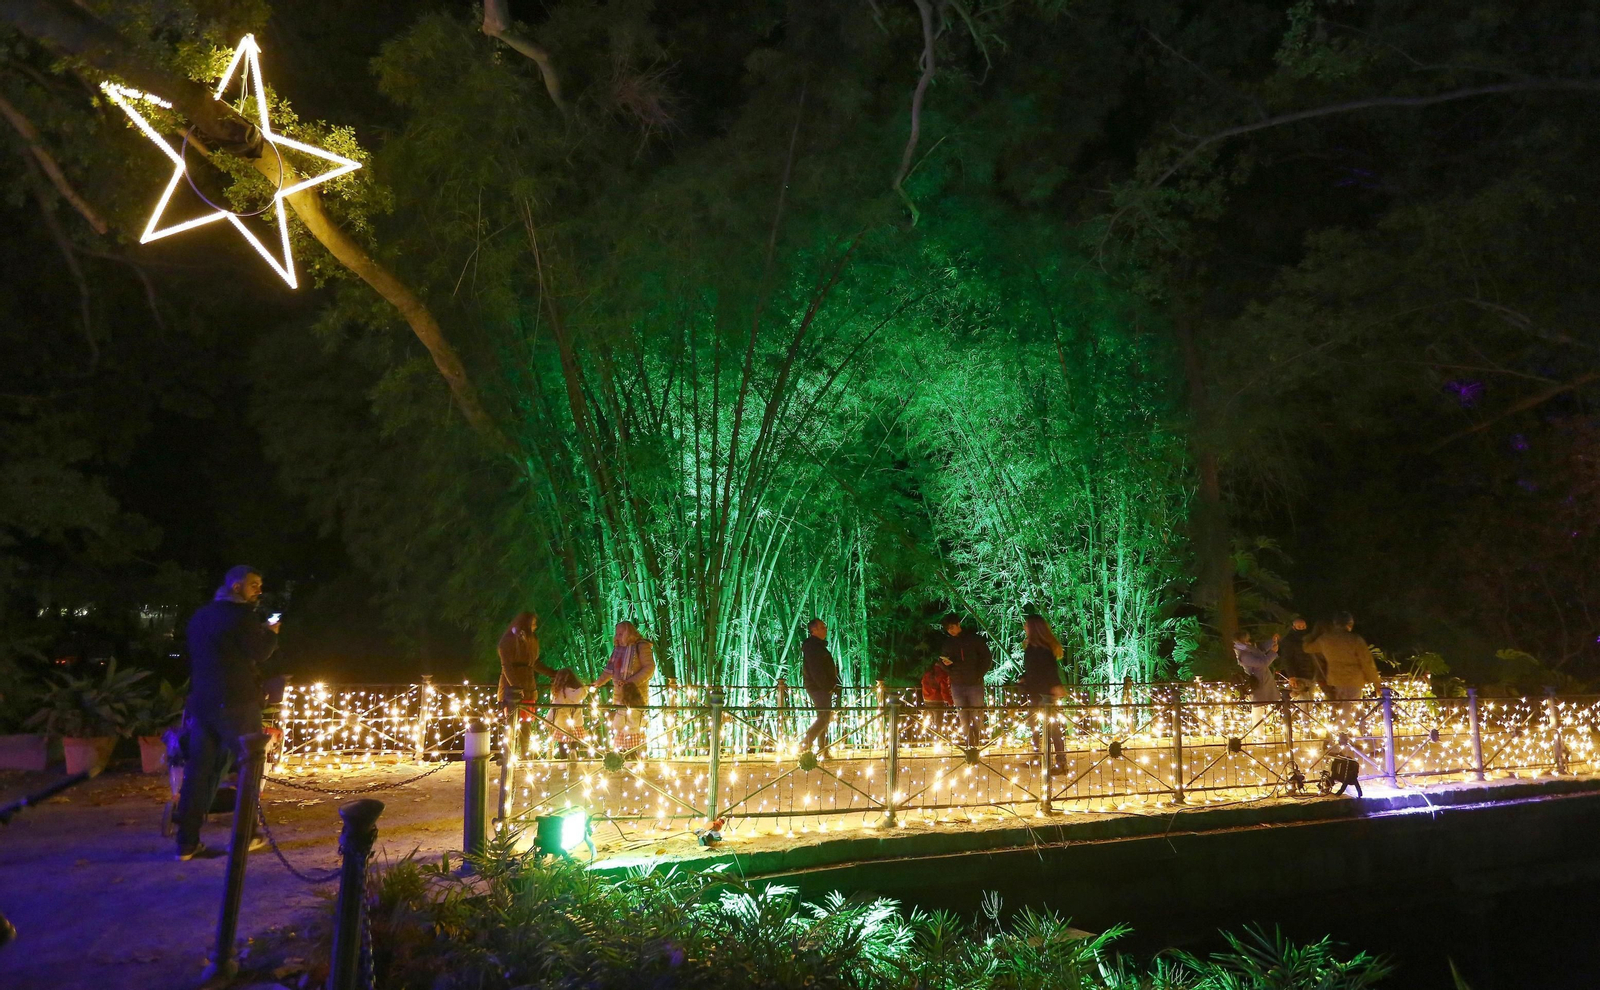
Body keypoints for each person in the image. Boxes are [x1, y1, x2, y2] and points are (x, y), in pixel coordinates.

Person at [172, 565, 280, 861]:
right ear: (236, 587)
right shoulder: (242, 615)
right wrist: (271, 634)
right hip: (237, 703)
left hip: (203, 703)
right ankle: (247, 836)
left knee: (198, 772)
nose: (259, 590)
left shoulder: (201, 616)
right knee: (250, 766)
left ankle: (187, 842)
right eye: (254, 585)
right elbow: (260, 652)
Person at [593, 620, 655, 752]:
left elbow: (649, 668)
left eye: (621, 634)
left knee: (635, 724)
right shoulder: (618, 649)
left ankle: (637, 756)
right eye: (617, 634)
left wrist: (631, 682)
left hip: (635, 695)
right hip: (620, 694)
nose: (618, 637)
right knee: (620, 723)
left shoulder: (641, 646)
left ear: (629, 633)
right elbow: (609, 670)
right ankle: (623, 755)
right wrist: (598, 683)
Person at [1019, 614, 1067, 773]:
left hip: (1045, 693)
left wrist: (1055, 686)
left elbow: (1049, 670)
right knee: (1034, 725)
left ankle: (1060, 762)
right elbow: (1033, 669)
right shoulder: (1032, 647)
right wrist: (1024, 678)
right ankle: (1038, 757)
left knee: (1051, 728)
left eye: (1027, 625)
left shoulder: (1042, 649)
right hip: (1036, 691)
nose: (1024, 628)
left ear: (1034, 628)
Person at [938, 613, 992, 749]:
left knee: (976, 714)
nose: (950, 631)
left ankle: (978, 743)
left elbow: (986, 658)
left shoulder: (974, 639)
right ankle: (969, 744)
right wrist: (947, 666)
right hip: (957, 683)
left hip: (974, 683)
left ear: (958, 624)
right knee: (963, 715)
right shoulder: (948, 643)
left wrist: (979, 674)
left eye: (952, 627)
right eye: (948, 629)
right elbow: (943, 661)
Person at [1303, 612, 1381, 703]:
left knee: (1341, 706)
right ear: (1350, 624)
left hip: (1335, 680)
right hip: (1354, 679)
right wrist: (1376, 682)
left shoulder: (1325, 639)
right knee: (1352, 706)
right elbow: (1367, 662)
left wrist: (1312, 634)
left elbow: (1307, 648)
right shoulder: (1355, 639)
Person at [498, 611, 554, 724]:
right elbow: (506, 667)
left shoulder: (532, 640)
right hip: (512, 691)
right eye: (533, 624)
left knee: (526, 725)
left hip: (529, 689)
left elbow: (534, 662)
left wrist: (553, 673)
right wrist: (517, 687)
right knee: (513, 725)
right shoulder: (508, 641)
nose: (535, 626)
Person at [799, 619, 840, 759]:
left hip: (820, 686)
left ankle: (823, 749)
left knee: (824, 717)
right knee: (824, 718)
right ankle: (805, 744)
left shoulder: (816, 646)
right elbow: (816, 670)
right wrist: (827, 686)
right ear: (814, 630)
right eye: (822, 627)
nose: (825, 629)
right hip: (818, 687)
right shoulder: (813, 647)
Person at [548, 667, 589, 758]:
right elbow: (584, 693)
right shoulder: (579, 691)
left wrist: (547, 720)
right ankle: (573, 751)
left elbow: (554, 707)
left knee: (561, 742)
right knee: (574, 739)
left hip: (561, 722)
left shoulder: (559, 692)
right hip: (575, 721)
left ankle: (563, 760)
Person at [1232, 633, 1280, 709]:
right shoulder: (1244, 655)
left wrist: (1272, 641)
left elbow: (1261, 650)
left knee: (1266, 705)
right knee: (1259, 706)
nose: (1249, 641)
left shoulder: (1249, 649)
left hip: (1263, 679)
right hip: (1258, 682)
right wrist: (1273, 652)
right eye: (1247, 639)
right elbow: (1262, 663)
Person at [1278, 617, 1320, 701]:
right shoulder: (1289, 640)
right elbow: (1287, 659)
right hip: (1298, 674)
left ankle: (1287, 697)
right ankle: (1286, 697)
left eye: (1303, 627)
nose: (1302, 629)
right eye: (1299, 627)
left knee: (1309, 700)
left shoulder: (1310, 638)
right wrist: (1291, 675)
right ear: (1294, 627)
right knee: (1303, 700)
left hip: (1311, 674)